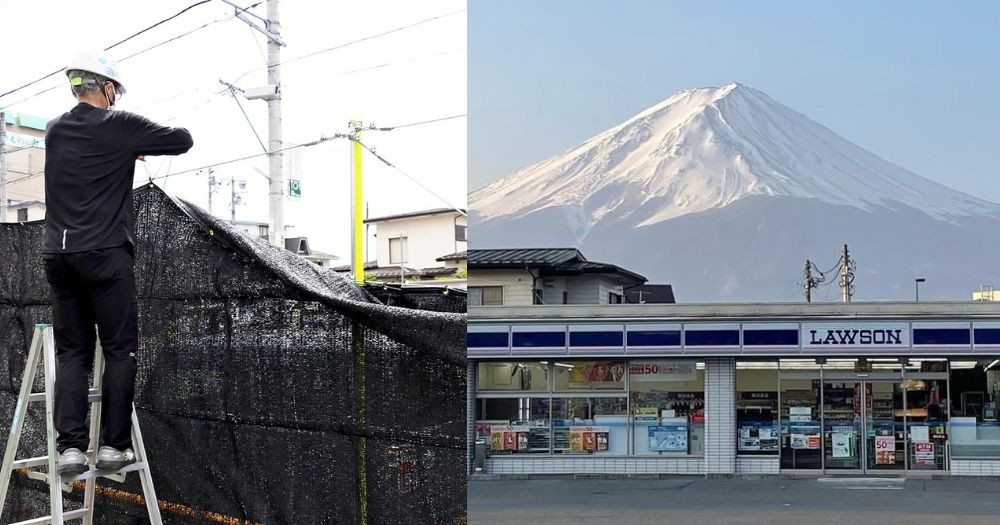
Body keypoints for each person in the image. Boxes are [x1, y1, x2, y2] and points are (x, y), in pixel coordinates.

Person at [42, 52, 193, 475]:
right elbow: (182, 139)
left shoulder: (55, 130)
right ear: (107, 88)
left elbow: (89, 156)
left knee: (73, 354)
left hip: (58, 255)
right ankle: (113, 447)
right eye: (115, 93)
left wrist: (125, 150)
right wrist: (132, 144)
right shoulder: (119, 125)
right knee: (119, 349)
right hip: (105, 253)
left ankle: (70, 449)